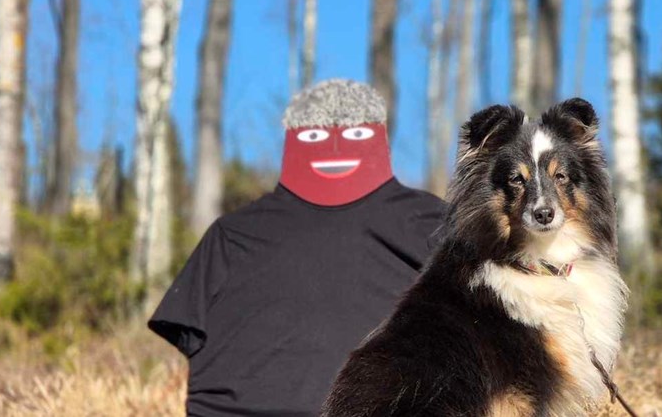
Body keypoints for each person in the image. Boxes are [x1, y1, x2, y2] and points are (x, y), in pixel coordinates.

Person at [148, 79, 447, 416]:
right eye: (315, 138)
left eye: (355, 136)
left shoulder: (436, 227)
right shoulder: (433, 224)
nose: (334, 149)